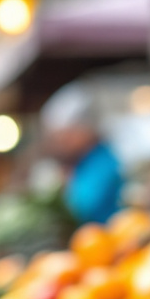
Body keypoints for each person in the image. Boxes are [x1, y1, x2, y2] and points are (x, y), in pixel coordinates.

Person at [42, 85, 124, 225]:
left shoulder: (102, 161)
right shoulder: (80, 163)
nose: (61, 144)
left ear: (84, 130)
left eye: (66, 136)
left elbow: (84, 207)